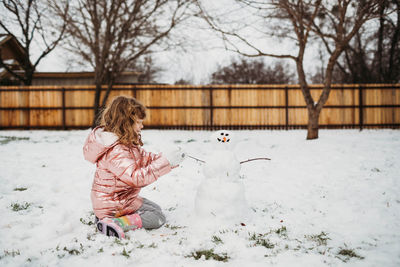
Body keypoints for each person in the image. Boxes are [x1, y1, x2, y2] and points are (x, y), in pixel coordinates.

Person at [83, 96, 185, 238]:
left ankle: (105, 219)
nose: (142, 126)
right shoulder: (116, 150)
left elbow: (144, 157)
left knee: (156, 209)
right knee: (157, 217)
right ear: (125, 122)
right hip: (113, 204)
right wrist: (165, 163)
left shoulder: (125, 143)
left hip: (121, 199)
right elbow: (136, 178)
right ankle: (115, 222)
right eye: (138, 122)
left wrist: (168, 159)